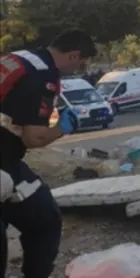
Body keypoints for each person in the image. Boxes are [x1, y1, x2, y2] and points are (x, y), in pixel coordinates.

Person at [2, 29, 96, 278]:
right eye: (81, 64)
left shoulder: (18, 58)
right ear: (74, 56)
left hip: (6, 160)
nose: (78, 70)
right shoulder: (43, 76)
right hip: (2, 163)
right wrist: (63, 128)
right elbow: (34, 138)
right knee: (46, 220)